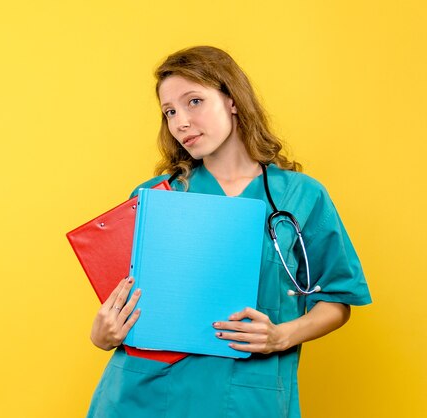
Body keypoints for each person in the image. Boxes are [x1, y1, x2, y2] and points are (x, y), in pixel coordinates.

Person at [87, 46, 371, 418]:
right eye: (170, 112)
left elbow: (337, 300)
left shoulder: (300, 196)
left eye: (194, 101)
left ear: (232, 99)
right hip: (143, 396)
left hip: (247, 397)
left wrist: (281, 336)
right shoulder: (156, 196)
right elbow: (124, 302)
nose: (181, 122)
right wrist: (101, 333)